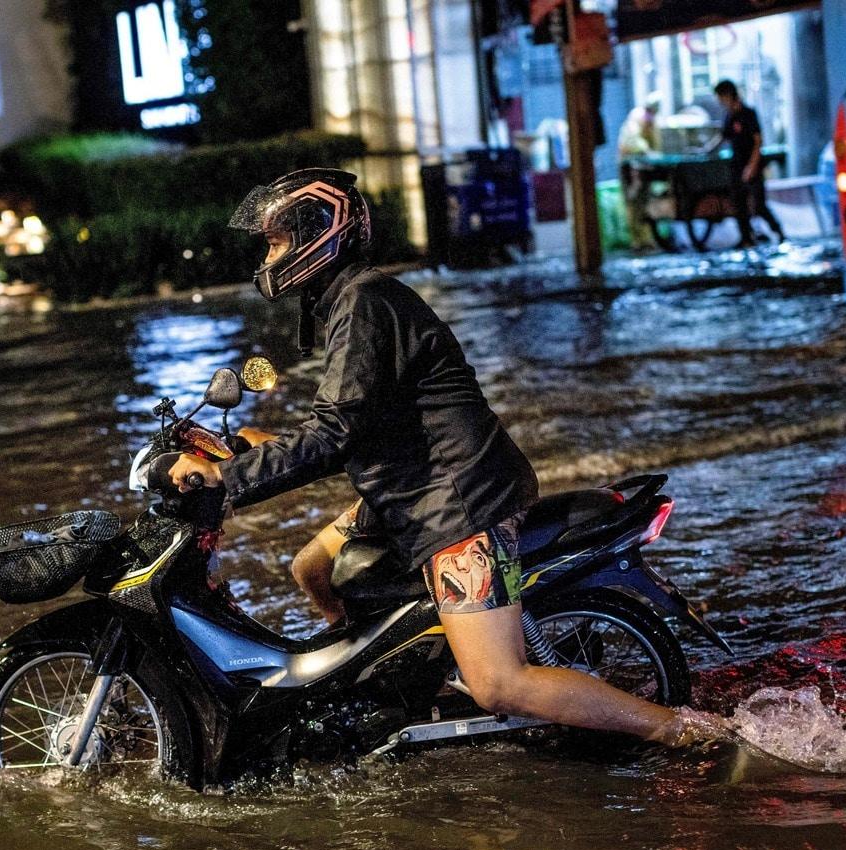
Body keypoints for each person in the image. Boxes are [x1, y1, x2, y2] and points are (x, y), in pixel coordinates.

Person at [167, 168, 723, 748]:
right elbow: (353, 422)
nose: (270, 254)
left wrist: (226, 479)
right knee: (313, 568)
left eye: (277, 240)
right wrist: (243, 449)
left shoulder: (362, 302)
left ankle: (689, 731)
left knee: (499, 683)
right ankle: (396, 680)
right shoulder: (345, 302)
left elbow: (337, 432)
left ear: (316, 234)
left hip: (456, 502)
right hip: (407, 488)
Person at [711, 80, 785, 249]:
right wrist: (707, 149)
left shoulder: (748, 113)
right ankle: (746, 238)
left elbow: (758, 141)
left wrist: (751, 166)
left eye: (721, 97)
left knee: (759, 204)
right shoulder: (730, 116)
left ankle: (778, 231)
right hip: (737, 165)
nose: (720, 101)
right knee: (739, 204)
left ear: (728, 95)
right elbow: (723, 137)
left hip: (753, 165)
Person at [617, 93, 662, 251]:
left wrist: (655, 157)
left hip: (644, 167)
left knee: (644, 201)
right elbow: (633, 141)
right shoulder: (636, 117)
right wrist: (647, 151)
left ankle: (646, 239)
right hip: (629, 166)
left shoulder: (652, 120)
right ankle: (636, 240)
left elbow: (655, 142)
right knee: (633, 202)